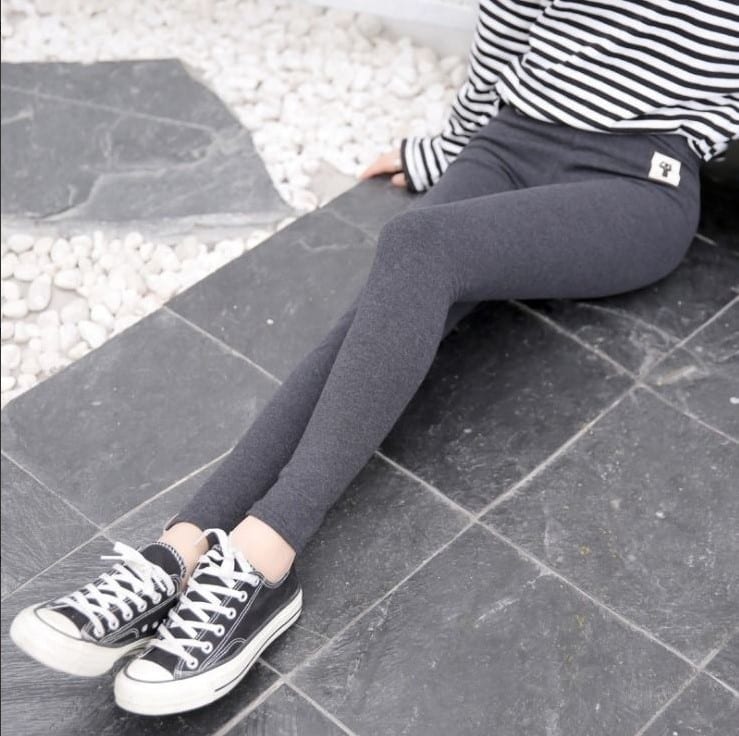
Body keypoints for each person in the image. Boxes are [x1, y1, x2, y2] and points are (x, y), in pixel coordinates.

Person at [10, 0, 738, 718]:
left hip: (635, 181)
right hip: (507, 142)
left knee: (419, 250)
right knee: (385, 311)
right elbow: (511, 19)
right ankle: (181, 551)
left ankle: (265, 556)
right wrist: (448, 149)